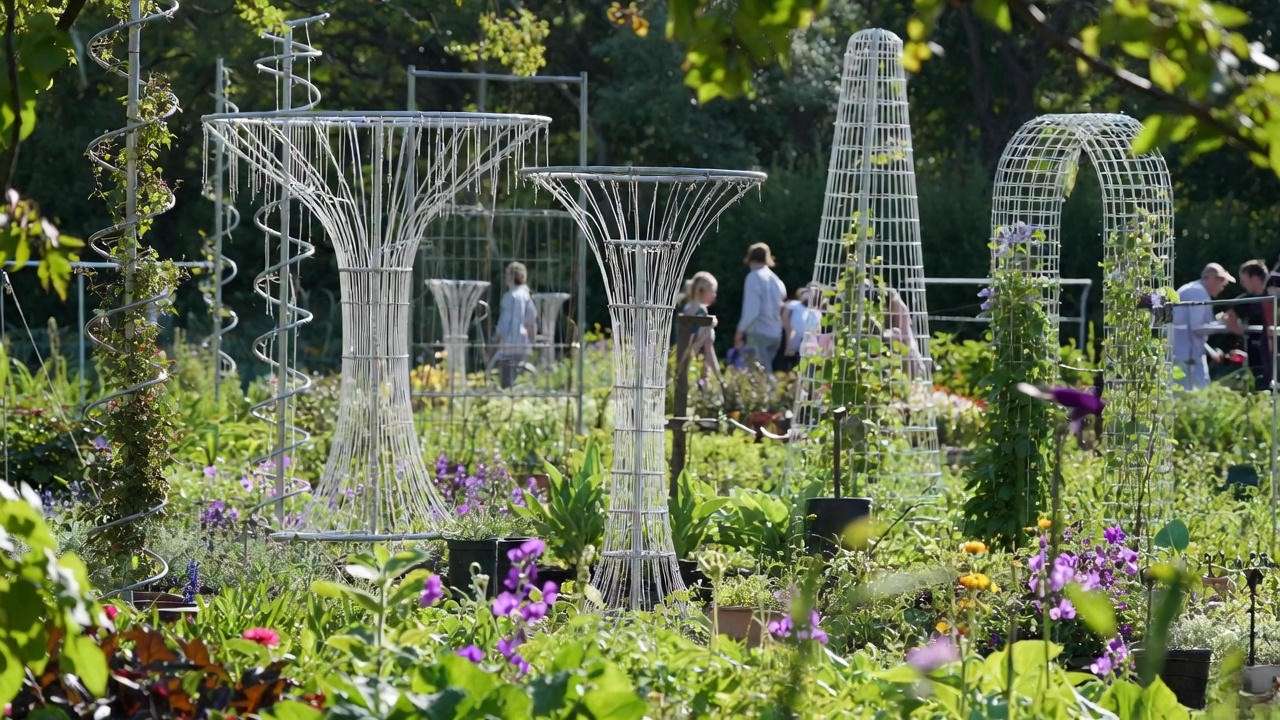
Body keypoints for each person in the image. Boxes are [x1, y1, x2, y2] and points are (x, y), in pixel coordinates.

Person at [1173, 263, 1234, 390]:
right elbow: (1197, 328)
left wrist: (1210, 351)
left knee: (1184, 397)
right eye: (1221, 280)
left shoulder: (1192, 289)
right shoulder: (1198, 293)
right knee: (1197, 397)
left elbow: (1190, 329)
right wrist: (1225, 324)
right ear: (1210, 278)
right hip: (1187, 358)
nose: (1223, 286)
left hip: (1183, 354)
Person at [734, 242, 786, 371]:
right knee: (765, 371)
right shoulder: (776, 279)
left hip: (759, 333)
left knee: (758, 376)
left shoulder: (753, 277)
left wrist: (739, 331)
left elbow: (752, 311)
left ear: (750, 258)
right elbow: (782, 302)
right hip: (775, 334)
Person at [1226, 259, 1274, 391]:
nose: (1242, 284)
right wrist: (1245, 333)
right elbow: (1228, 317)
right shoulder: (1247, 300)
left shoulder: (1274, 294)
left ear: (1254, 278)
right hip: (1257, 354)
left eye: (1244, 280)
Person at [493, 261, 538, 388]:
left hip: (508, 344)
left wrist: (495, 340)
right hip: (523, 344)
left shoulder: (509, 297)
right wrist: (532, 342)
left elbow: (504, 324)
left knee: (506, 382)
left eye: (507, 274)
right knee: (521, 379)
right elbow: (531, 322)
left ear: (511, 276)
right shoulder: (527, 296)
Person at [679, 271, 721, 380]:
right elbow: (704, 345)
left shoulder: (687, 308)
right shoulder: (701, 312)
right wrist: (710, 326)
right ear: (702, 291)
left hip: (684, 364)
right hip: (697, 367)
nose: (714, 295)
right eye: (713, 291)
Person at [779, 286, 820, 372]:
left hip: (805, 349)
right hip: (789, 345)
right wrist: (788, 338)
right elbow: (784, 318)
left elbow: (817, 332)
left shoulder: (817, 313)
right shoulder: (794, 304)